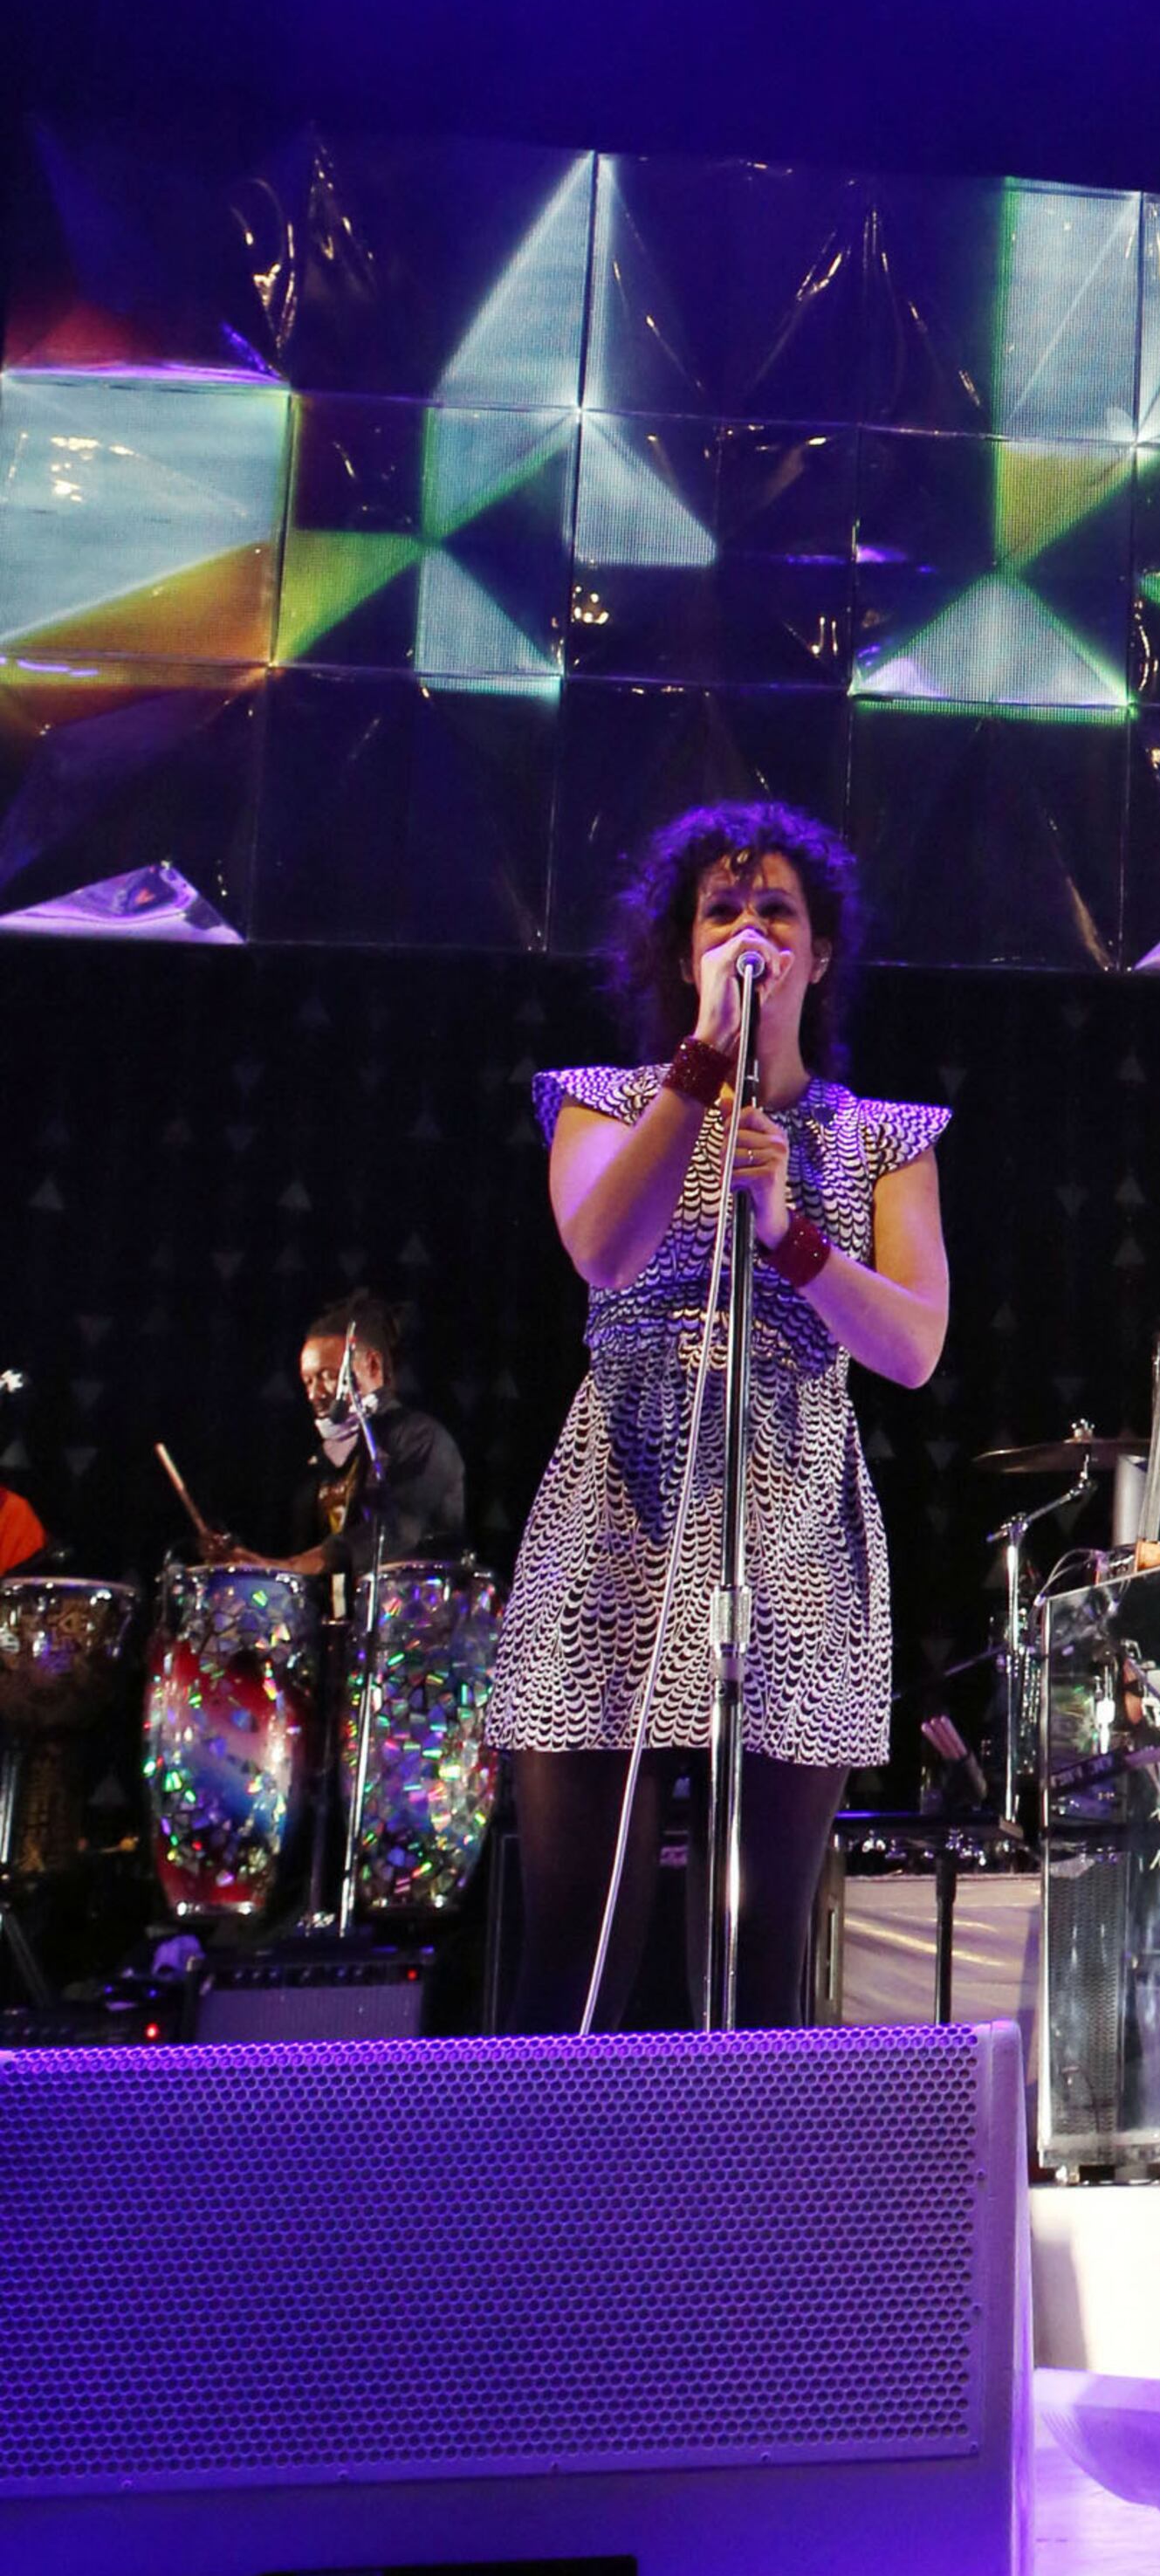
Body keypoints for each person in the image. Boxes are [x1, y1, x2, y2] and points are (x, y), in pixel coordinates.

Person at [490, 802, 950, 2030]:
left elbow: (910, 1345)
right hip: (623, 1501)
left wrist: (790, 1233)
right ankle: (550, 2205)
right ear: (684, 949)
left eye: (779, 909)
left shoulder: (880, 1137)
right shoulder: (603, 1099)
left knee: (755, 1968)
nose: (753, 928)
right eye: (723, 910)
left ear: (822, 949)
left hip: (792, 1517)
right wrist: (700, 1063)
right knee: (574, 1954)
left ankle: (745, 2204)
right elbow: (601, 1246)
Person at [211, 1294, 467, 1581]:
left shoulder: (420, 1439)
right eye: (308, 1381)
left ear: (372, 1365)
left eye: (327, 1376)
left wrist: (294, 1565)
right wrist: (255, 1565)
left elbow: (398, 1532)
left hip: (415, 1616)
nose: (314, 1394)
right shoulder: (324, 1458)